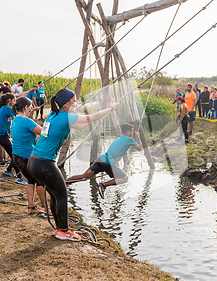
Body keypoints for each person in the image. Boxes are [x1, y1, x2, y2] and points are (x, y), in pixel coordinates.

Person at [27, 88, 118, 242]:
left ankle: (59, 228)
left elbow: (80, 125)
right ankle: (63, 230)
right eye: (73, 100)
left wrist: (94, 121)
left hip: (34, 161)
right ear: (65, 103)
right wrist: (111, 108)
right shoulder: (66, 117)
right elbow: (93, 116)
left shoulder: (53, 114)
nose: (75, 102)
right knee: (62, 194)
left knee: (56, 194)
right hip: (44, 163)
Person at [65, 123, 142, 198]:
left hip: (101, 159)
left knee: (84, 176)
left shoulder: (119, 138)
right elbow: (140, 148)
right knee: (125, 178)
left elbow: (113, 152)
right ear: (127, 132)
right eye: (132, 131)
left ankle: (63, 183)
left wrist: (116, 166)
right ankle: (103, 185)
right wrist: (138, 137)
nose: (133, 132)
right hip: (108, 163)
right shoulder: (129, 139)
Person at [11, 97, 48, 213]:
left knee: (30, 180)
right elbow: (44, 132)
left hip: (16, 156)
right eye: (30, 107)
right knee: (40, 181)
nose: (31, 110)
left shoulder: (15, 120)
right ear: (26, 107)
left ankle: (31, 206)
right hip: (27, 156)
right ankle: (45, 206)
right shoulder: (27, 121)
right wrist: (50, 123)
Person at [0, 93, 27, 185]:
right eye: (14, 100)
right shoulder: (6, 108)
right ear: (9, 100)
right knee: (15, 155)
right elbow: (19, 116)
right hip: (1, 135)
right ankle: (20, 178)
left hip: (2, 135)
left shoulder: (4, 108)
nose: (15, 102)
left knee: (14, 153)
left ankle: (9, 170)